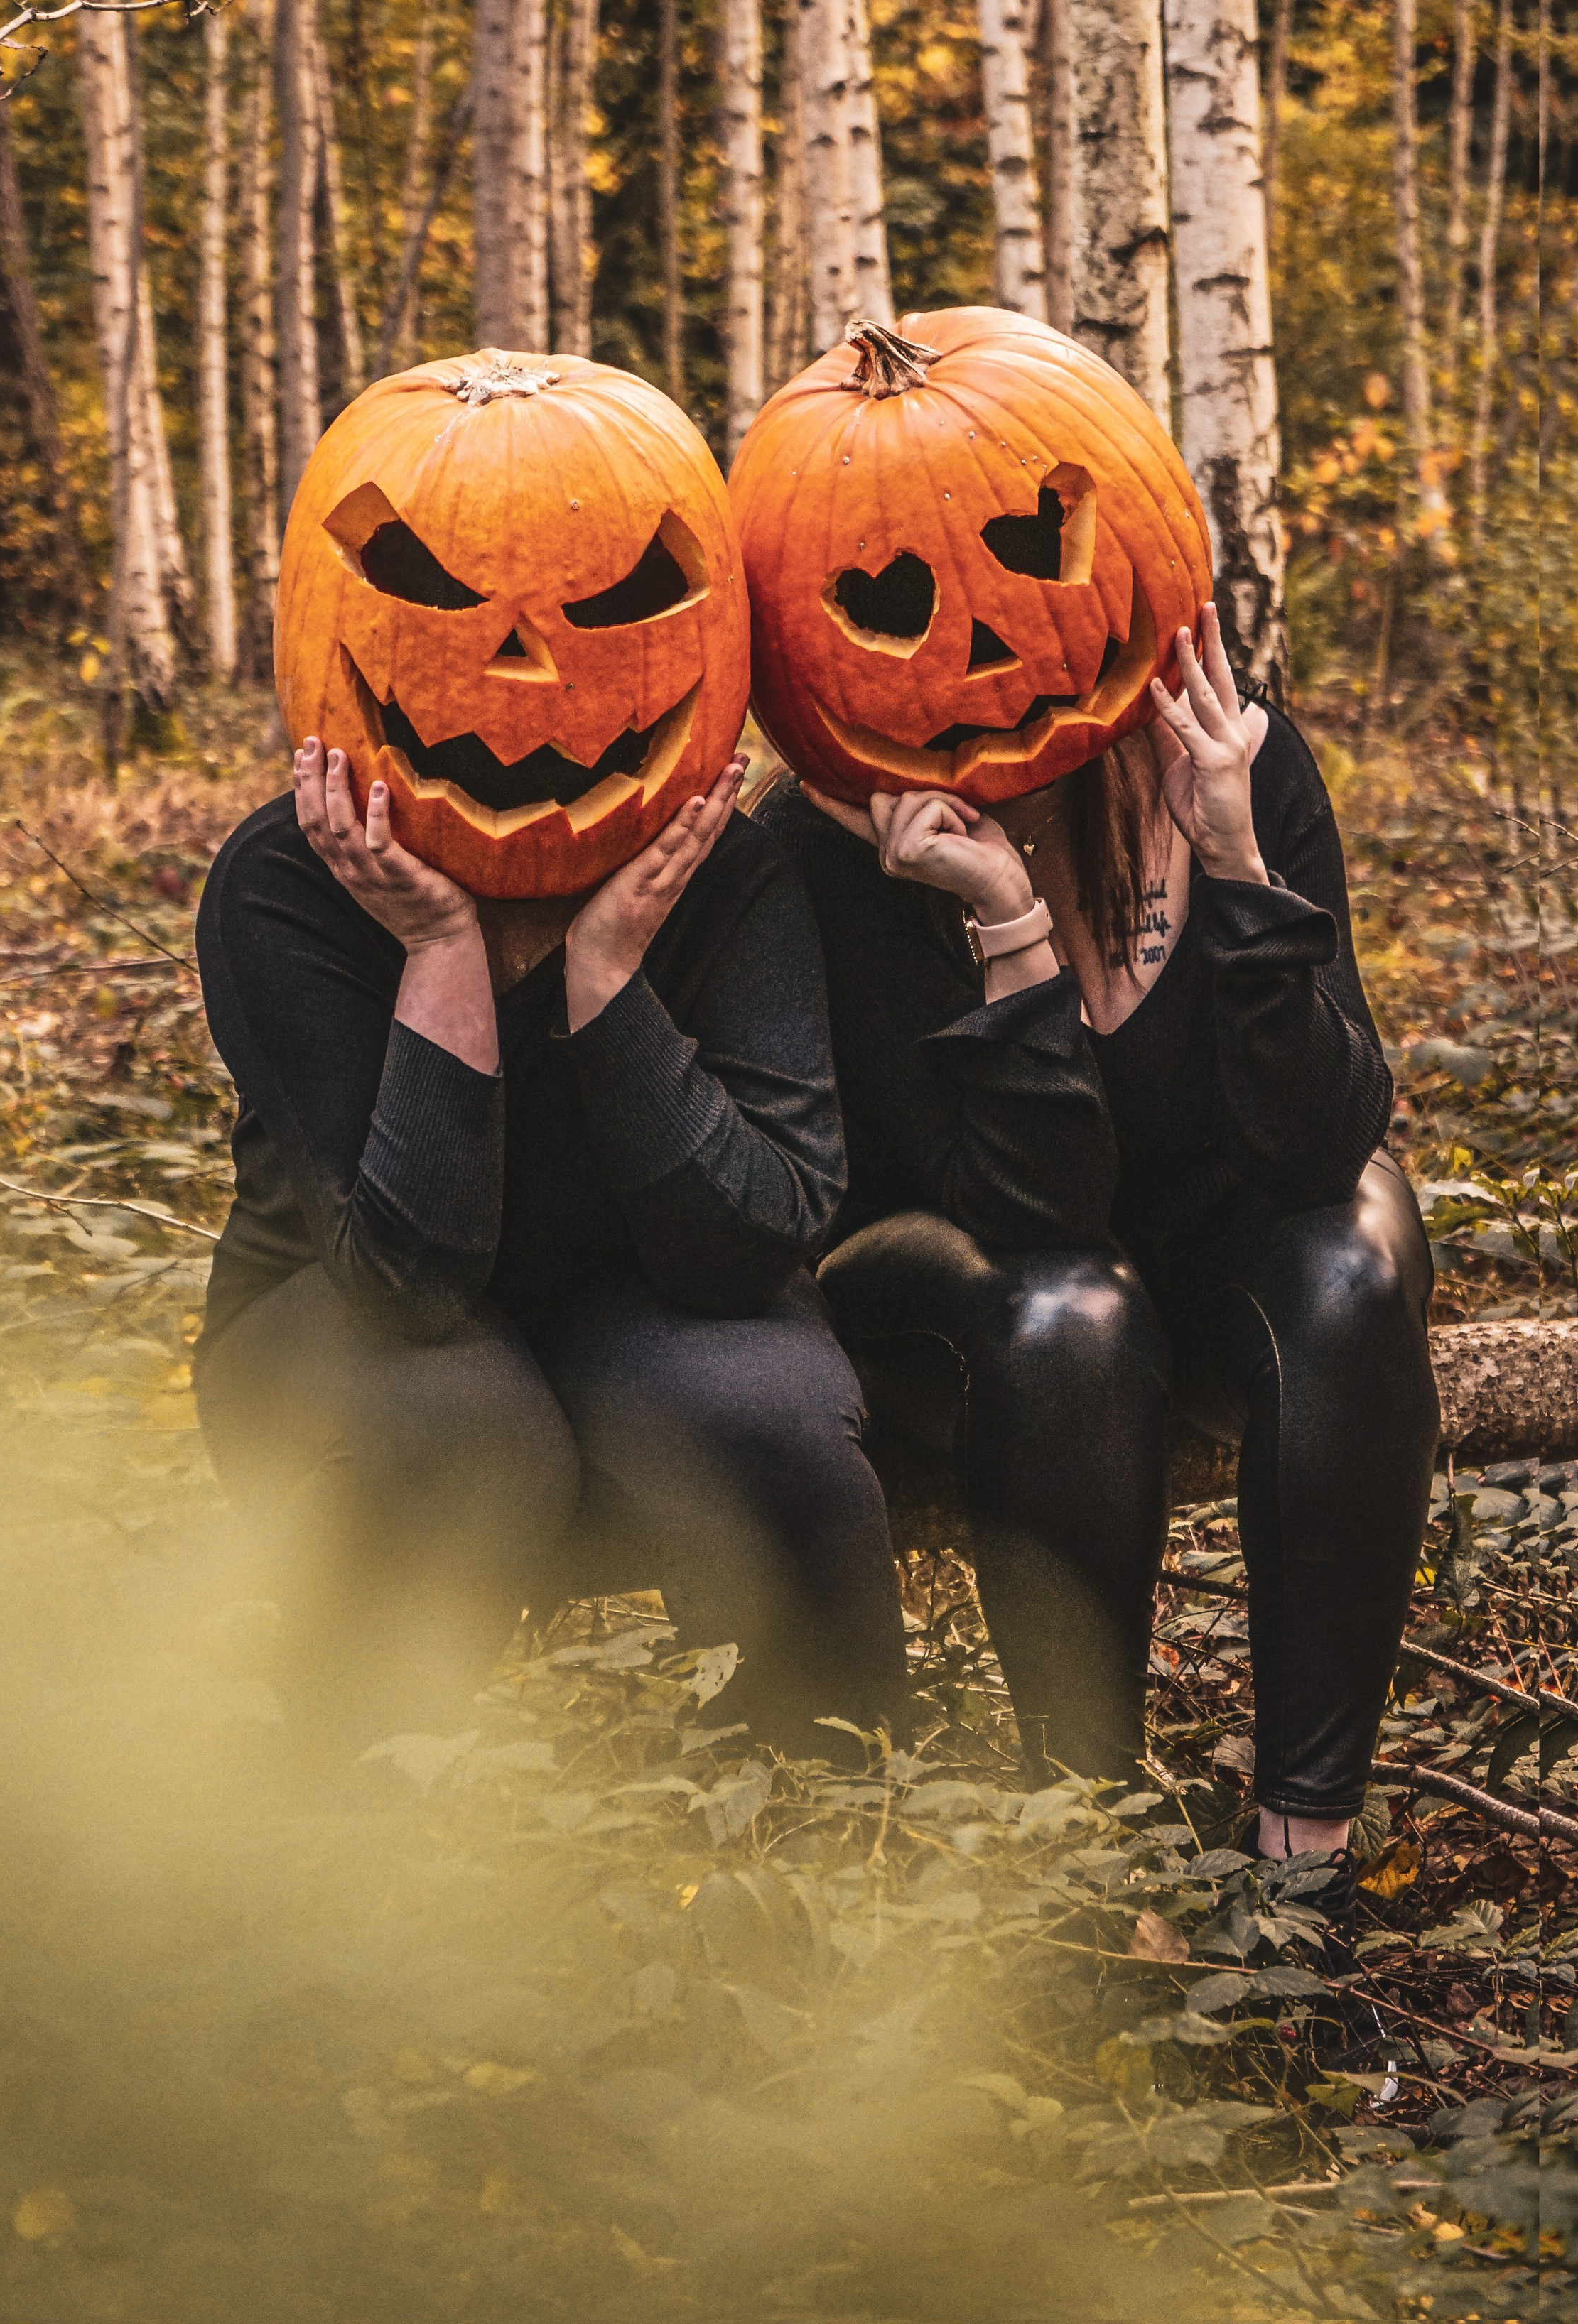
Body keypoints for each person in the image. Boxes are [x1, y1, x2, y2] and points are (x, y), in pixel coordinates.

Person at [755, 603, 1439, 1865]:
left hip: (1210, 1247)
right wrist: (1008, 923)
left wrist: (1235, 860)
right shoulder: (820, 845)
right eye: (907, 600)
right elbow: (1032, 1216)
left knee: (1349, 1261)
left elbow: (1319, 1140)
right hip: (961, 1279)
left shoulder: (1230, 756)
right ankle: (1095, 1840)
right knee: (1079, 1307)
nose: (967, 640)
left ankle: (1307, 1847)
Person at [194, 739, 909, 1765]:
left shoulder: (727, 874)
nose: (535, 685)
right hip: (341, 1312)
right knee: (468, 1426)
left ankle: (852, 1835)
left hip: (648, 1300)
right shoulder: (293, 874)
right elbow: (408, 1277)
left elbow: (754, 1243)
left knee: (774, 1416)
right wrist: (444, 949)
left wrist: (609, 980)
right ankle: (349, 1836)